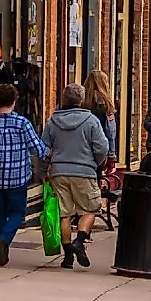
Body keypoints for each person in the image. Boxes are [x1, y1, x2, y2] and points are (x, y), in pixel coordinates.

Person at [0, 82, 49, 266]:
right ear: (14, 101)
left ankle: (1, 252)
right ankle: (5, 239)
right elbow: (37, 148)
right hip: (17, 178)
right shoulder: (22, 123)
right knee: (17, 213)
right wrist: (50, 152)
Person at [45, 83, 112, 268]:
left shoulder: (53, 121)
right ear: (81, 100)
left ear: (64, 98)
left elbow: (43, 147)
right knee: (90, 209)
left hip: (58, 171)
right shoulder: (90, 121)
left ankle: (68, 257)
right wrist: (95, 162)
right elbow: (102, 147)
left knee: (64, 213)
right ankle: (79, 242)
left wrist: (43, 170)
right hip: (84, 171)